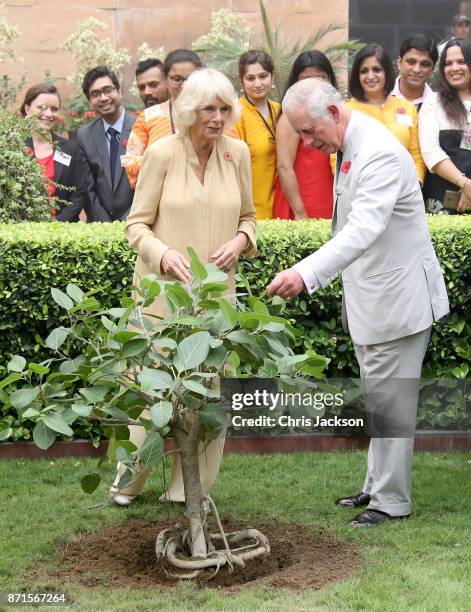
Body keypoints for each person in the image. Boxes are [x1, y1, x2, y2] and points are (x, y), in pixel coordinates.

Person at [267, 79, 449, 527]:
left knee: (391, 403)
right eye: (301, 134)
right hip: (376, 297)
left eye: (309, 131)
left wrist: (304, 273)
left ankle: (391, 502)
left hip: (398, 301)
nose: (307, 143)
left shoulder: (379, 152)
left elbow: (362, 230)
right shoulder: (349, 140)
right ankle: (375, 485)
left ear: (333, 111)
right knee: (378, 396)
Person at [111, 68, 256, 506]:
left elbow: (249, 217)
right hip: (162, 296)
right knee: (148, 393)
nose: (216, 117)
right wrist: (163, 254)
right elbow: (135, 225)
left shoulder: (238, 153)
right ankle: (128, 483)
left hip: (216, 297)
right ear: (190, 109)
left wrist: (241, 241)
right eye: (208, 108)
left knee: (209, 393)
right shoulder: (161, 153)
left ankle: (187, 489)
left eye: (224, 108)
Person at [347, 43, 426, 184]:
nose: (370, 76)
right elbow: (339, 159)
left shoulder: (408, 108)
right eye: (364, 71)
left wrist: (416, 182)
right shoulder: (347, 111)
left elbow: (416, 155)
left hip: (405, 192)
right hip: (363, 191)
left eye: (377, 70)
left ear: (387, 72)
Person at [124, 49, 202, 189]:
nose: (184, 85)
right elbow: (131, 163)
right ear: (167, 79)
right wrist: (168, 167)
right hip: (162, 200)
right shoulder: (148, 117)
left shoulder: (214, 113)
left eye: (190, 79)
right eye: (177, 79)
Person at [274, 50, 335, 220]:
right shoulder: (290, 115)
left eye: (320, 77)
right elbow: (284, 167)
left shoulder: (334, 110)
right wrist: (300, 213)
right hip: (302, 202)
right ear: (296, 82)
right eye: (306, 79)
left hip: (329, 196)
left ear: (329, 78)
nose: (314, 84)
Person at [20, 83, 87, 221]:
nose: (49, 114)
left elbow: (79, 193)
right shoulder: (14, 148)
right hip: (23, 232)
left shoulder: (71, 149)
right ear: (27, 109)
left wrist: (58, 224)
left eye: (54, 109)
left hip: (63, 232)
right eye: (41, 108)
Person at [419, 38, 471, 214]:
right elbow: (430, 151)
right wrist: (465, 183)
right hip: (441, 199)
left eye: (461, 61)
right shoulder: (433, 102)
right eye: (448, 63)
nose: (455, 68)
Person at [77, 65, 136, 222]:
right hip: (100, 227)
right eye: (95, 94)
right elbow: (88, 188)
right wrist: (105, 225)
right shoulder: (85, 135)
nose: (103, 98)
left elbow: (150, 183)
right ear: (90, 101)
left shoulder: (141, 128)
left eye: (108, 90)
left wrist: (129, 221)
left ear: (119, 91)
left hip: (138, 223)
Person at [235, 50, 281, 220]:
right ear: (241, 80)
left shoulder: (281, 110)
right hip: (250, 208)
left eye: (263, 76)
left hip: (281, 204)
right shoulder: (234, 115)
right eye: (250, 78)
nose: (258, 83)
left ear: (272, 77)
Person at [392, 34, 438, 111]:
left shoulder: (438, 106)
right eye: (411, 62)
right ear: (400, 62)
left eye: (425, 64)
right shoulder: (380, 96)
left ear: (433, 68)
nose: (417, 70)